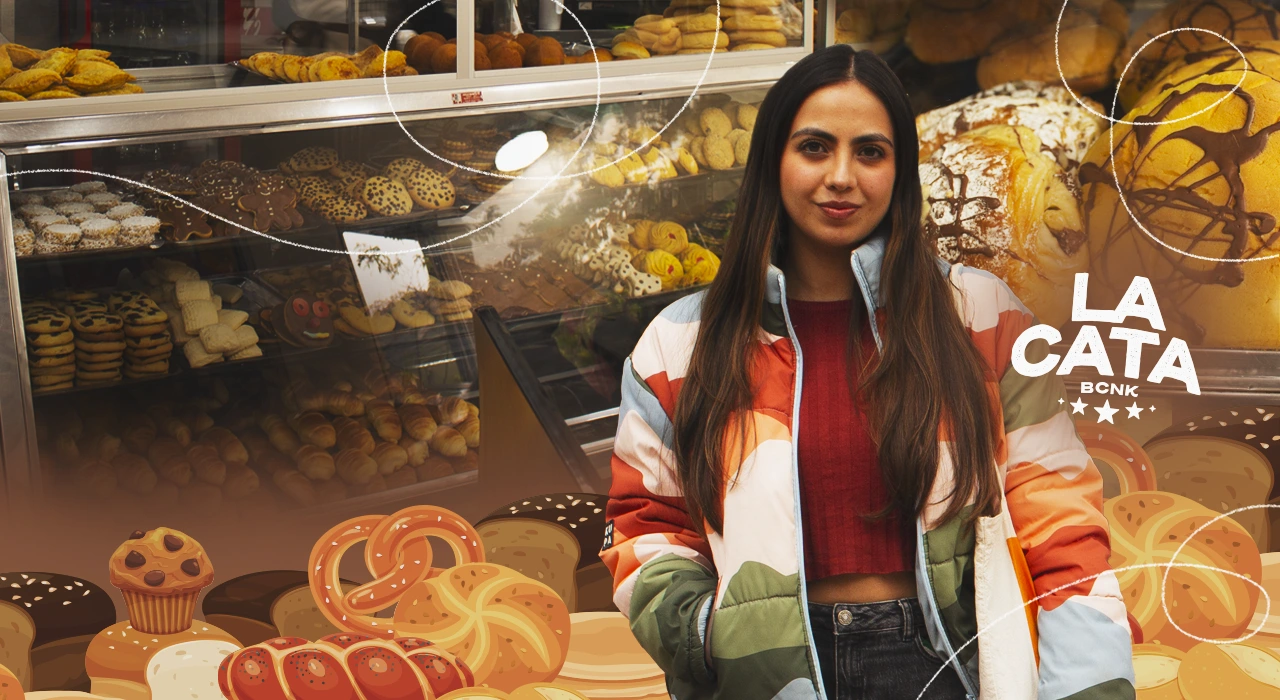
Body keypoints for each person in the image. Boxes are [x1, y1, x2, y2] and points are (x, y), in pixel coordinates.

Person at [600, 45, 1136, 700]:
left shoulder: (982, 318)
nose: (842, 177)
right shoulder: (679, 344)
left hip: (946, 667)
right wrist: (711, 635)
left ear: (900, 170)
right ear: (774, 160)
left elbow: (1061, 520)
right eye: (816, 148)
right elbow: (645, 524)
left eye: (871, 152)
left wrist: (1091, 688)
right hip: (767, 675)